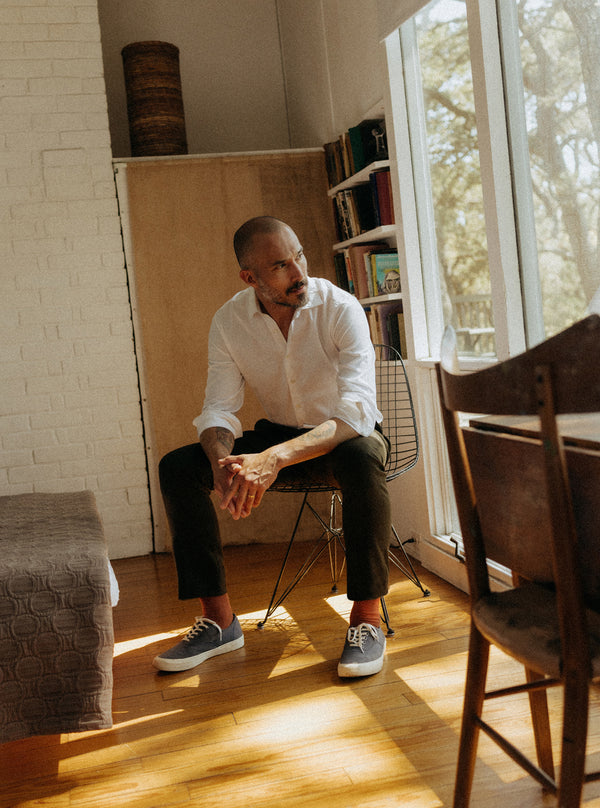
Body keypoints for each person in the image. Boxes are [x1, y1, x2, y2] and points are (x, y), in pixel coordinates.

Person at [155, 216, 392, 678]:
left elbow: (358, 411)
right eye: (281, 265)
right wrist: (221, 461)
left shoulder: (339, 307)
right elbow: (220, 409)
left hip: (342, 436)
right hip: (276, 432)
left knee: (364, 460)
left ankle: (367, 619)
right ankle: (219, 622)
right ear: (251, 278)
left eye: (299, 255)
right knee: (178, 467)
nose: (299, 272)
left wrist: (274, 459)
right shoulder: (229, 321)